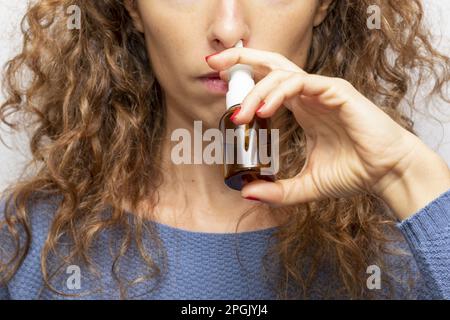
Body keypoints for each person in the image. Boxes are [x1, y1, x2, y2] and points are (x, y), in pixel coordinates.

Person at [0, 0, 449, 300]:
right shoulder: (23, 243)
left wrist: (406, 174)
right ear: (134, 8)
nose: (228, 29)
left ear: (323, 5)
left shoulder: (411, 241)